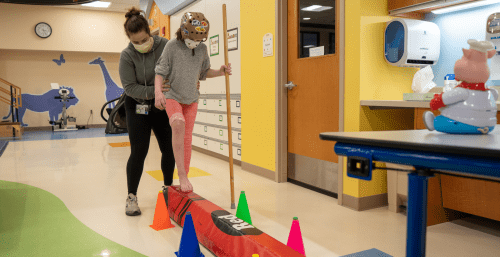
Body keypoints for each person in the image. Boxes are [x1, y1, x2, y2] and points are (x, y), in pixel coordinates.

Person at [118, 7, 200, 216]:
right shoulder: (126, 56)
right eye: (135, 42)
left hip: (164, 105)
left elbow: (183, 68)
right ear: (129, 40)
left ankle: (167, 188)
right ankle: (131, 196)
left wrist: (191, 82)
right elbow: (130, 88)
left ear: (150, 32)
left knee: (169, 149)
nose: (140, 45)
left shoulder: (166, 45)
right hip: (137, 106)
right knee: (139, 151)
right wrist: (155, 91)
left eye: (144, 39)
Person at [154, 12, 231, 192]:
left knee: (187, 138)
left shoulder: (202, 49)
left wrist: (220, 72)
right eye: (192, 39)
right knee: (178, 123)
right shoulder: (171, 46)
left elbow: (204, 72)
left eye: (199, 40)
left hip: (192, 98)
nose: (194, 43)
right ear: (183, 31)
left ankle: (184, 175)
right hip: (173, 95)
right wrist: (158, 92)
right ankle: (180, 174)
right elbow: (160, 72)